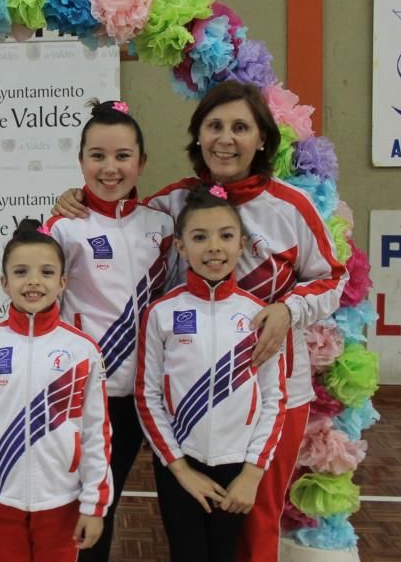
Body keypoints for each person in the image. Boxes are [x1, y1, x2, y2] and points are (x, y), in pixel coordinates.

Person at [54, 81, 347, 561]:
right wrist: (77, 198)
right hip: (188, 395)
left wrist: (287, 309)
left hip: (272, 390)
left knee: (254, 525)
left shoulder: (292, 208)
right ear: (197, 137)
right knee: (189, 528)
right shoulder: (170, 204)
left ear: (262, 139)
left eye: (240, 127)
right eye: (214, 126)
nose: (225, 139)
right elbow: (117, 221)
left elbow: (334, 278)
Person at [45, 100, 175, 562]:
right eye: (97, 155)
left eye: (123, 156)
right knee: (88, 506)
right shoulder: (62, 227)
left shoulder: (163, 226)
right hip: (89, 397)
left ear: (141, 162)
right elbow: (44, 309)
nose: (110, 167)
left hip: (152, 396)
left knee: (142, 503)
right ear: (81, 161)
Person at [136, 184, 288, 561]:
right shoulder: (161, 313)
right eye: (200, 237)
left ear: (242, 245)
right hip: (180, 465)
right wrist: (180, 468)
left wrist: (251, 475)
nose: (214, 247)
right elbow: (147, 394)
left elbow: (274, 399)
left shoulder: (259, 315)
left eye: (225, 235)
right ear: (182, 247)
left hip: (238, 470)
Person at [0, 219, 113, 562]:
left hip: (62, 503)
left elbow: (97, 432)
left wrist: (94, 503)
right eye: (21, 272)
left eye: (47, 272)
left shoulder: (83, 350)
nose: (34, 281)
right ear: (5, 283)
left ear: (63, 282)